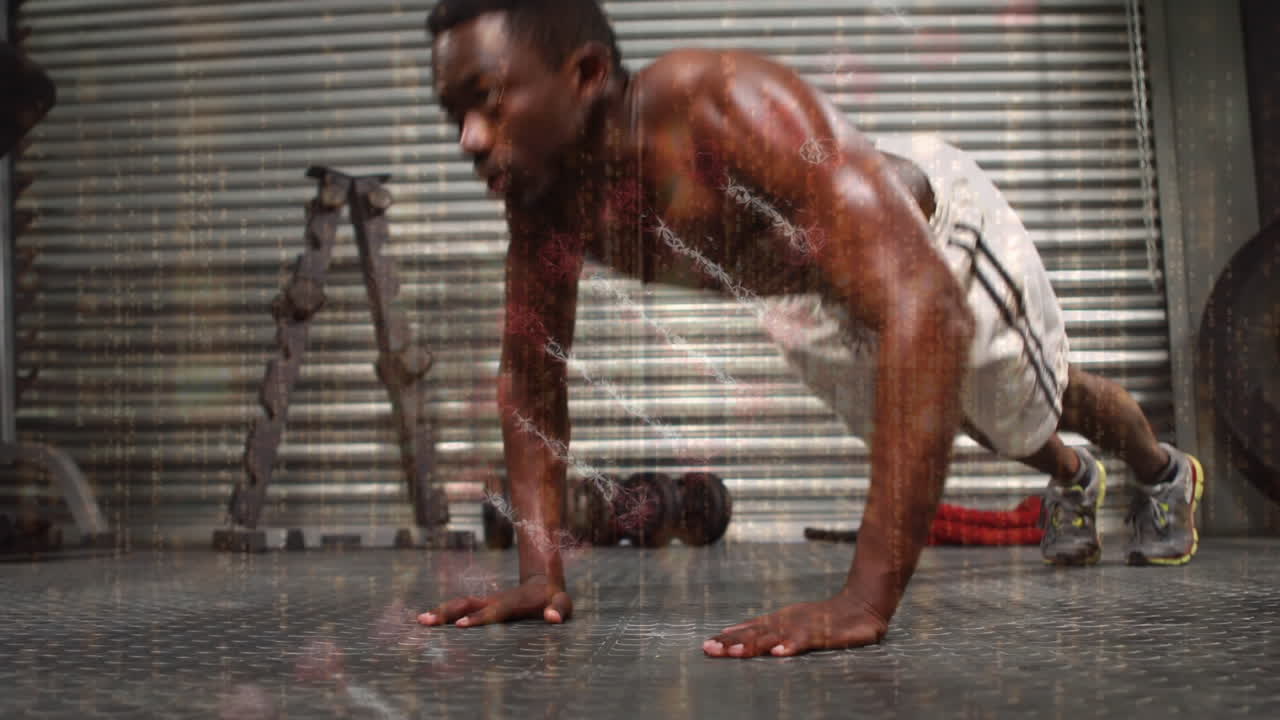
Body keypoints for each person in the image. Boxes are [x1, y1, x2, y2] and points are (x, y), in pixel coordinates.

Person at [416, 0, 1205, 659]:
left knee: (1038, 399)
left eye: (488, 101)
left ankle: (1160, 467)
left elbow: (925, 306)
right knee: (972, 420)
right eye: (452, 115)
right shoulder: (542, 206)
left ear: (584, 75)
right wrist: (539, 570)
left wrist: (866, 594)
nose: (468, 140)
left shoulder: (723, 104)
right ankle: (1072, 476)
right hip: (815, 295)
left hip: (931, 244)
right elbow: (530, 380)